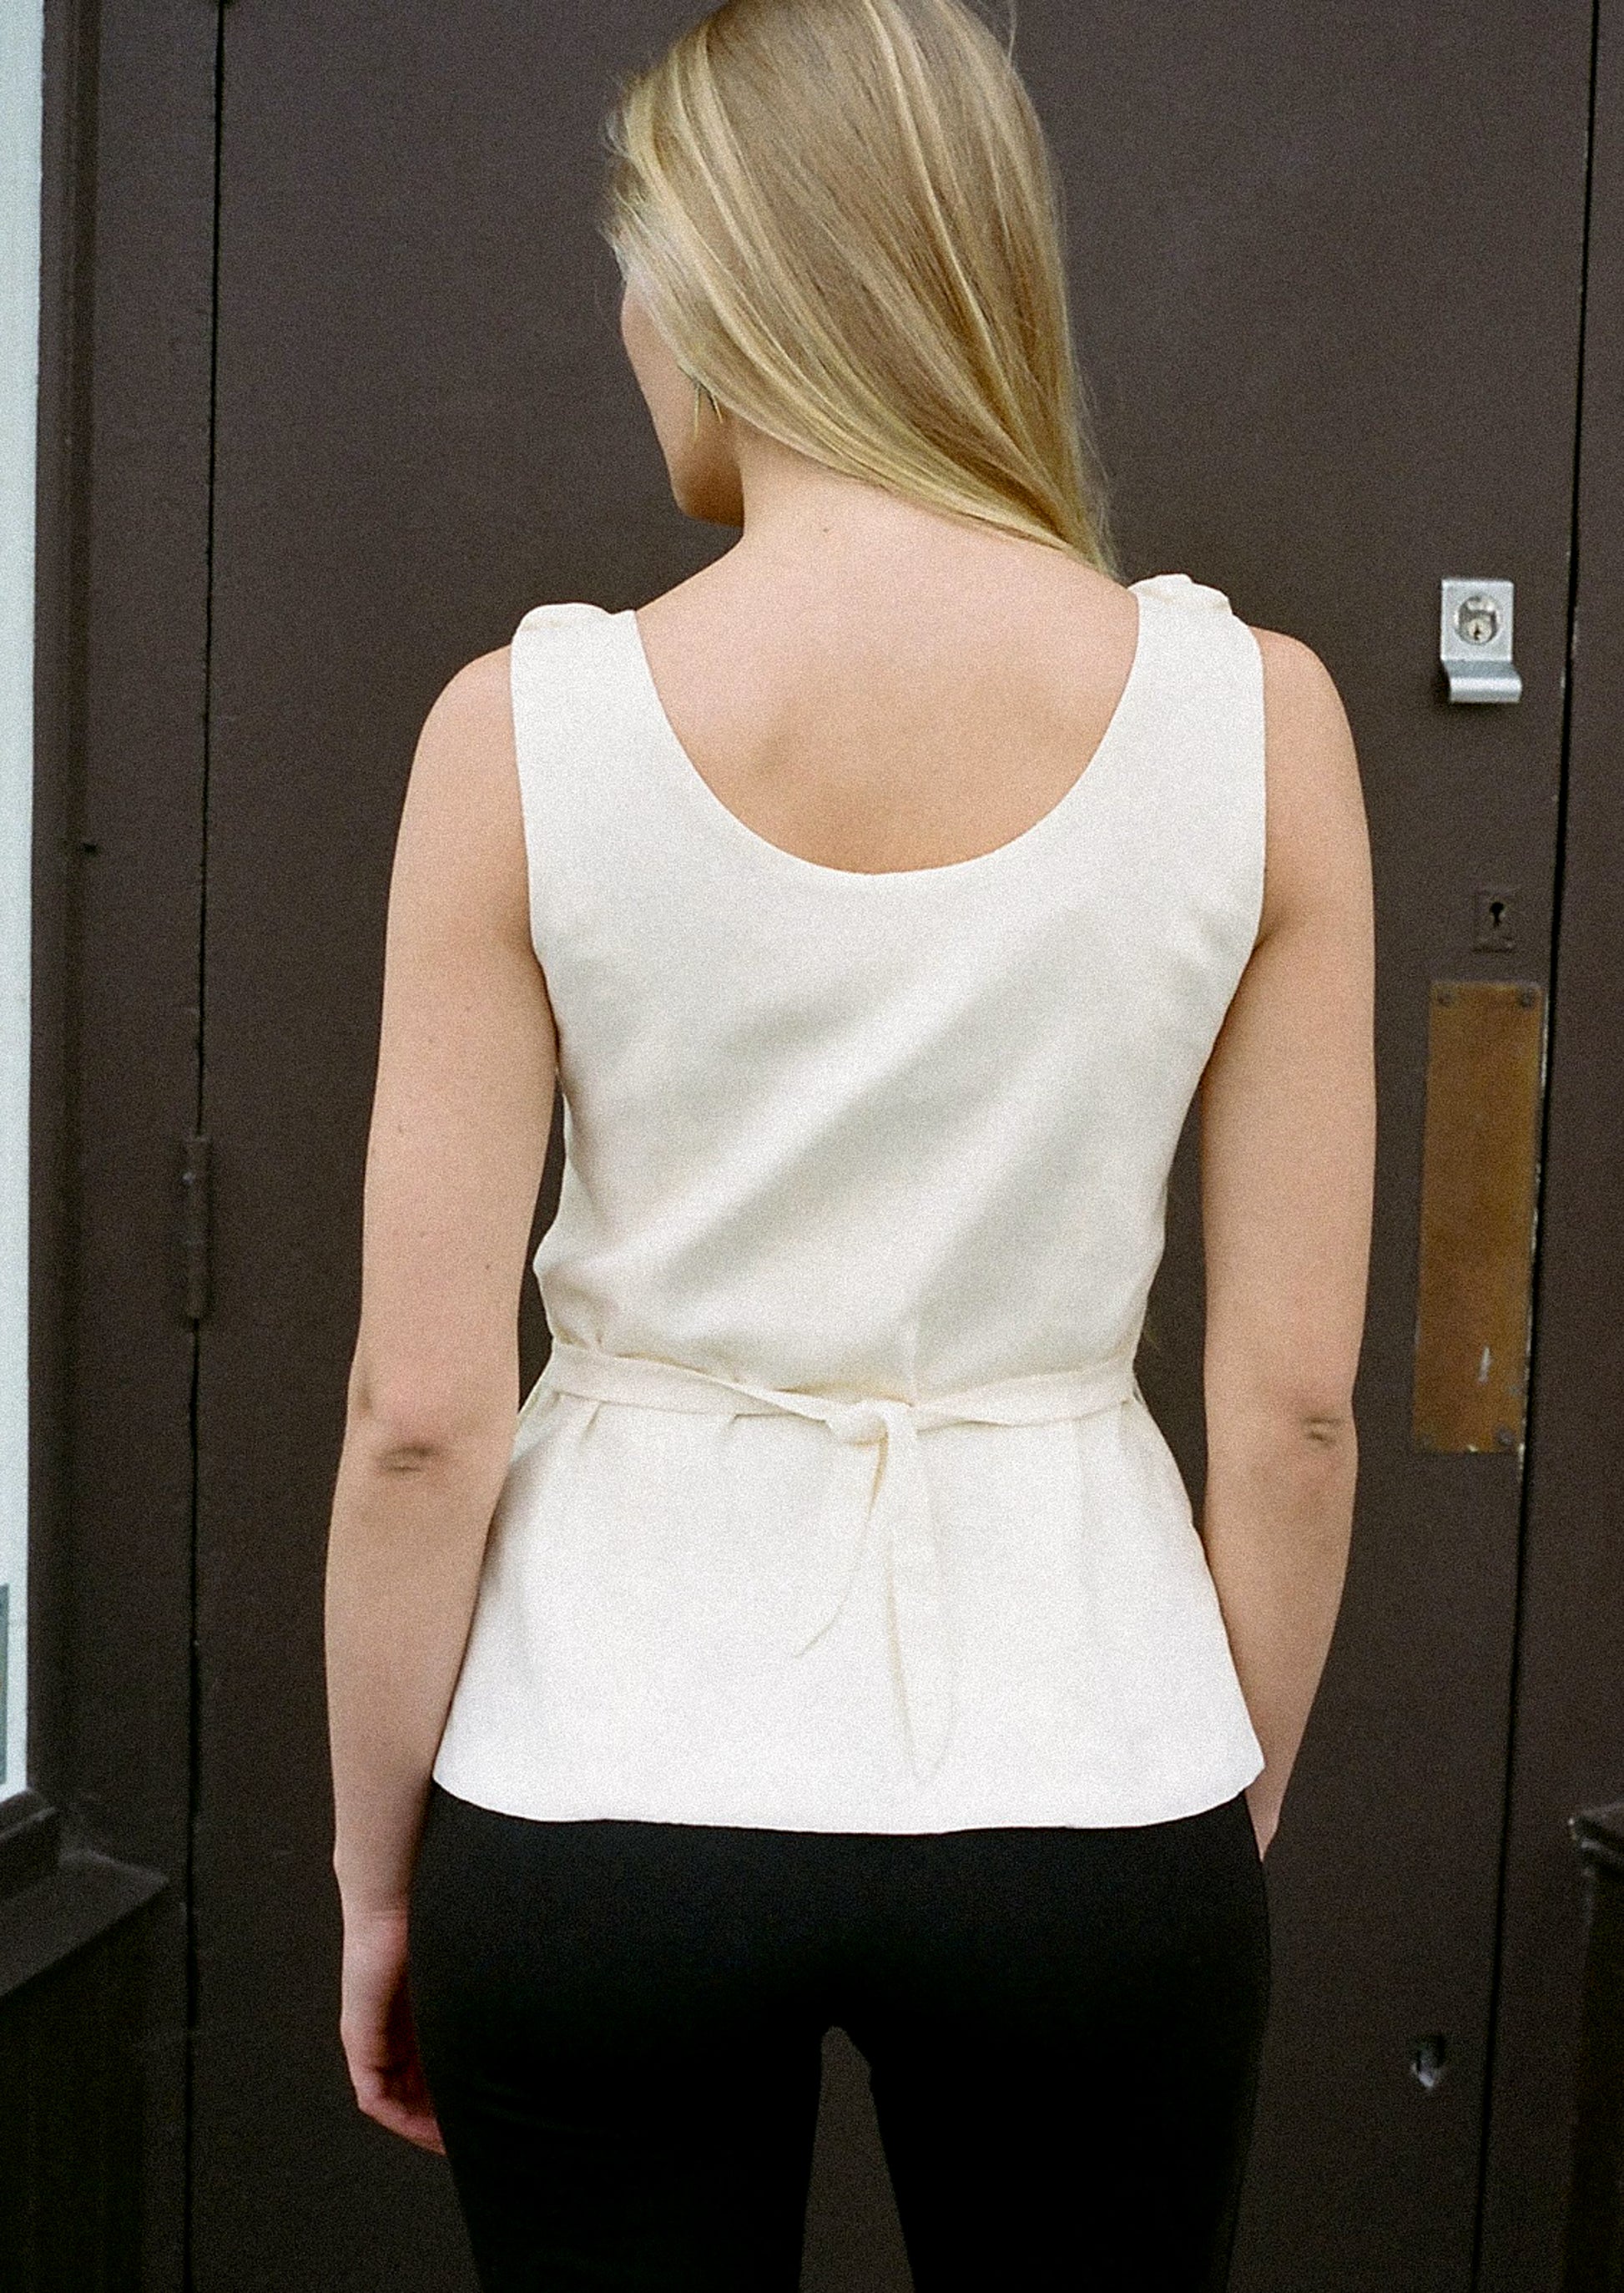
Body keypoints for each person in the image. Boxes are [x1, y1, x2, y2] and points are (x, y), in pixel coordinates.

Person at [322, 0, 1375, 2285]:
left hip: (601, 1781)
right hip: (1086, 1765)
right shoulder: (1255, 720)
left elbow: (419, 1416)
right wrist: (1211, 1777)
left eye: (635, 262)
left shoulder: (521, 735)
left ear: (717, 285)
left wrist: (378, 1872)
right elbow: (1290, 1411)